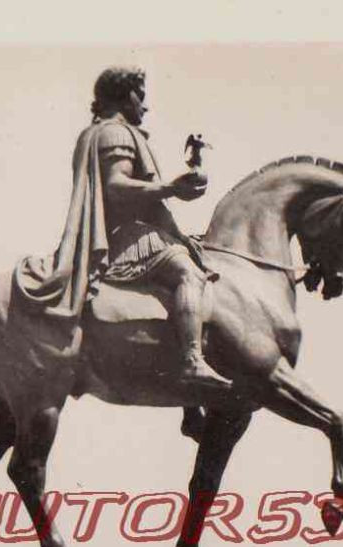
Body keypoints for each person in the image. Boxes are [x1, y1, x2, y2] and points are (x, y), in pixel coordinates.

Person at [13, 65, 231, 399]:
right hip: (128, 237)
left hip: (137, 232)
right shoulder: (115, 133)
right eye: (140, 96)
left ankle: (191, 405)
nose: (145, 105)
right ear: (124, 94)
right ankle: (191, 359)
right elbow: (116, 187)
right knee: (190, 274)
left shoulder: (110, 132)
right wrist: (170, 188)